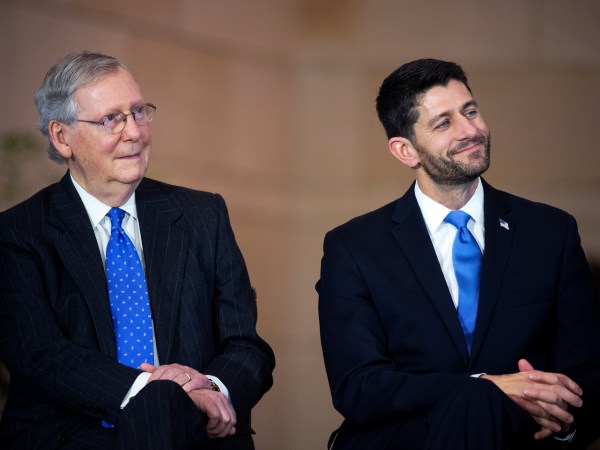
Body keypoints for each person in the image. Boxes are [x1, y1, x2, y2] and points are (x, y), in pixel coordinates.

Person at [317, 59, 600, 450]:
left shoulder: (551, 232)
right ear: (405, 151)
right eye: (444, 122)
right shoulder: (354, 247)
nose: (471, 130)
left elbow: (588, 371)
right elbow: (359, 386)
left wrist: (564, 423)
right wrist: (484, 389)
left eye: (470, 111)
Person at [0, 51, 275, 449]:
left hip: (197, 435)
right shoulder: (18, 234)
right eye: (111, 119)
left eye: (139, 112)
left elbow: (246, 346)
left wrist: (211, 389)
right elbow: (41, 356)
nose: (134, 133)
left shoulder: (202, 215)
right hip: (76, 436)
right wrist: (161, 393)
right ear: (62, 137)